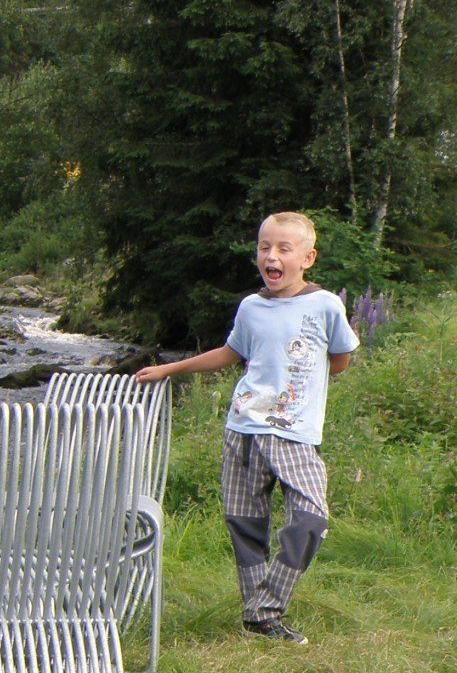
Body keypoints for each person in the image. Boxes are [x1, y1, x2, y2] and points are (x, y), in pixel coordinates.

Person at [135, 211, 358, 645]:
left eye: (283, 249)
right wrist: (169, 370)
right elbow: (229, 353)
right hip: (242, 430)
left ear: (307, 258)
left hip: (294, 435)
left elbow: (340, 360)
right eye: (264, 247)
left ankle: (267, 603)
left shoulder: (326, 305)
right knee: (246, 524)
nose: (271, 256)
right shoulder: (251, 307)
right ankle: (260, 621)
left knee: (311, 520)